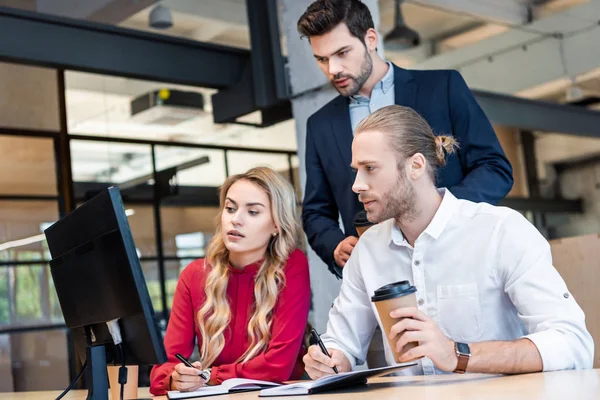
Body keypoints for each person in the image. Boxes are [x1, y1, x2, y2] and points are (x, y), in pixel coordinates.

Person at [302, 105, 593, 378]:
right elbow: (340, 342)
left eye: (370, 168)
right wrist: (329, 360)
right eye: (356, 171)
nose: (357, 185)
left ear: (415, 166)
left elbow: (572, 343)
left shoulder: (500, 230)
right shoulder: (367, 250)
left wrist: (457, 354)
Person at [297, 0, 514, 278]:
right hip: (382, 279)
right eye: (322, 59)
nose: (332, 69)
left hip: (459, 259)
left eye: (342, 53)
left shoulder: (442, 87)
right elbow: (316, 211)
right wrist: (334, 244)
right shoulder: (320, 125)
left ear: (371, 39)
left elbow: (495, 169)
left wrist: (440, 212)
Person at [150, 167, 310, 395]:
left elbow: (278, 366)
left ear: (276, 224)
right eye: (230, 208)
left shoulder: (291, 265)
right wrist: (177, 378)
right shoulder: (194, 275)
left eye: (253, 212)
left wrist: (210, 376)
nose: (236, 220)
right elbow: (161, 373)